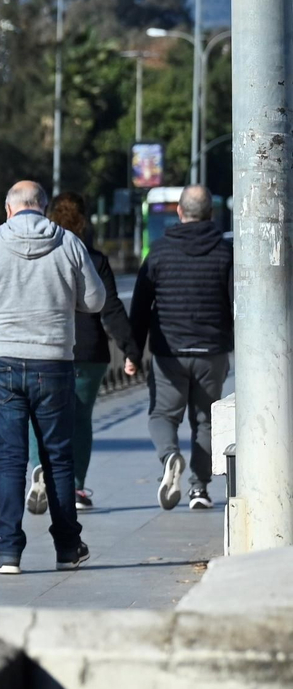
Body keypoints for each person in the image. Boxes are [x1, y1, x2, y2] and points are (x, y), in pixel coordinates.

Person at [0, 180, 105, 575]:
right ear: (42, 207)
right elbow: (95, 300)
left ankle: (8, 552)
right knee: (58, 458)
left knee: (10, 461)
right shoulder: (68, 244)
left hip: (4, 361)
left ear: (9, 210)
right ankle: (68, 548)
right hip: (54, 361)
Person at [24, 193, 141, 514]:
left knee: (40, 416)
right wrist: (130, 349)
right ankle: (75, 486)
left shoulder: (39, 256)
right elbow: (111, 308)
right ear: (84, 221)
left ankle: (40, 470)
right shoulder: (95, 259)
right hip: (89, 352)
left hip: (45, 348)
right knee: (79, 420)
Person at [126, 184, 233, 511]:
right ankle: (199, 490)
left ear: (179, 212)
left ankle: (170, 455)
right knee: (206, 421)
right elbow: (236, 302)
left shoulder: (158, 251)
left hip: (169, 352)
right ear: (211, 214)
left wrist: (133, 353)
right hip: (211, 352)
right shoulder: (224, 252)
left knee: (162, 414)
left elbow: (141, 307)